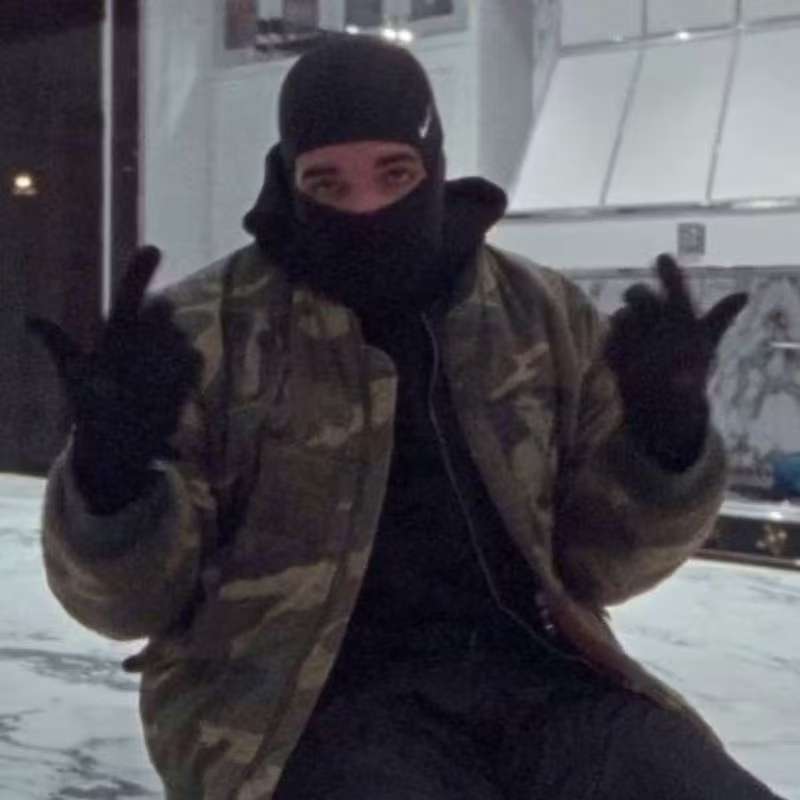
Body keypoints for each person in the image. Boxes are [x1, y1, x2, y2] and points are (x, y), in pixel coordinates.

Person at [29, 36, 780, 800]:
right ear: (288, 181)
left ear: (436, 165)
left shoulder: (538, 315)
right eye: (327, 183)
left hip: (543, 683)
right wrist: (111, 478)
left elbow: (600, 569)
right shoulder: (208, 335)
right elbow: (126, 608)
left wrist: (664, 445)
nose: (367, 209)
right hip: (295, 709)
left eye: (396, 173)